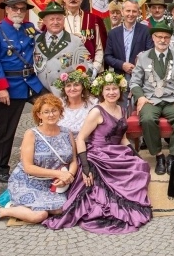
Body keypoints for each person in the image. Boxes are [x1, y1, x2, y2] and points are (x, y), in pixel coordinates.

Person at [45, 72, 153, 234]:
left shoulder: (122, 110)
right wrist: (86, 167)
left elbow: (123, 139)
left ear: (120, 91)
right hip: (97, 154)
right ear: (101, 92)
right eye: (107, 89)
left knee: (140, 166)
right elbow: (81, 138)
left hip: (116, 152)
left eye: (114, 89)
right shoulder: (96, 111)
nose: (111, 92)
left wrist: (136, 156)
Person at [0, 94, 77, 226]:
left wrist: (69, 175)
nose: (51, 115)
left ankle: (19, 206)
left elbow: (74, 160)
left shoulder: (67, 132)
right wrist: (59, 174)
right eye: (46, 112)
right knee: (39, 215)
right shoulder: (32, 134)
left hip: (53, 184)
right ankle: (0, 211)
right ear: (39, 115)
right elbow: (28, 167)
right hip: (28, 181)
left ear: (60, 112)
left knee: (61, 209)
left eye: (54, 110)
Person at [0, 0, 47, 183]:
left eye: (23, 9)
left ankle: (51, 154)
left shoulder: (29, 28)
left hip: (31, 82)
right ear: (7, 9)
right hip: (10, 85)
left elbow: (44, 43)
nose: (19, 12)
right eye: (15, 8)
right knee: (6, 128)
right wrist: (0, 87)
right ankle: (0, 166)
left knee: (53, 109)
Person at [130, 21, 174, 175]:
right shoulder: (143, 57)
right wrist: (141, 98)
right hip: (150, 99)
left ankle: (172, 156)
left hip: (173, 99)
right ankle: (159, 156)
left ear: (170, 39)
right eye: (159, 37)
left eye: (166, 37)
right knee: (147, 119)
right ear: (153, 37)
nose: (163, 40)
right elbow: (135, 82)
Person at [34, 1, 93, 95]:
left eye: (59, 19)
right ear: (45, 21)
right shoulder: (35, 41)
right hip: (42, 94)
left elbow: (86, 67)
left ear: (64, 20)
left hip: (67, 94)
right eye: (51, 19)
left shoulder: (75, 41)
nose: (55, 22)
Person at [59, 0, 107, 77]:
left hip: (89, 72)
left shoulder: (93, 19)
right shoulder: (56, 20)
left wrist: (94, 68)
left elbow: (99, 48)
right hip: (64, 72)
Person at [104, 0, 152, 79]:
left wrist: (137, 66)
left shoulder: (146, 31)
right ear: (122, 12)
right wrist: (122, 65)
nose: (131, 14)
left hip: (140, 77)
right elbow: (108, 56)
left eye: (134, 11)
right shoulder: (113, 33)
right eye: (128, 11)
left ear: (138, 13)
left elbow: (150, 53)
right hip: (119, 77)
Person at [55, 70, 98, 135]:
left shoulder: (93, 103)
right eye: (68, 85)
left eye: (76, 85)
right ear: (64, 88)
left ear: (82, 87)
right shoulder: (58, 104)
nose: (72, 89)